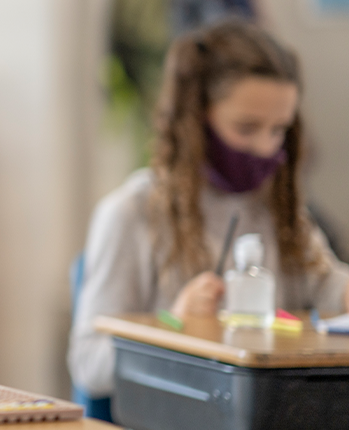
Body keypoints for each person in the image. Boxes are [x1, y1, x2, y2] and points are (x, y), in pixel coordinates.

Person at [69, 20, 349, 398]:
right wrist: (173, 326)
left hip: (272, 424)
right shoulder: (132, 213)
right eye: (246, 128)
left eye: (278, 130)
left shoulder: (279, 208)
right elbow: (89, 365)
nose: (266, 149)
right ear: (196, 120)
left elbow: (331, 287)